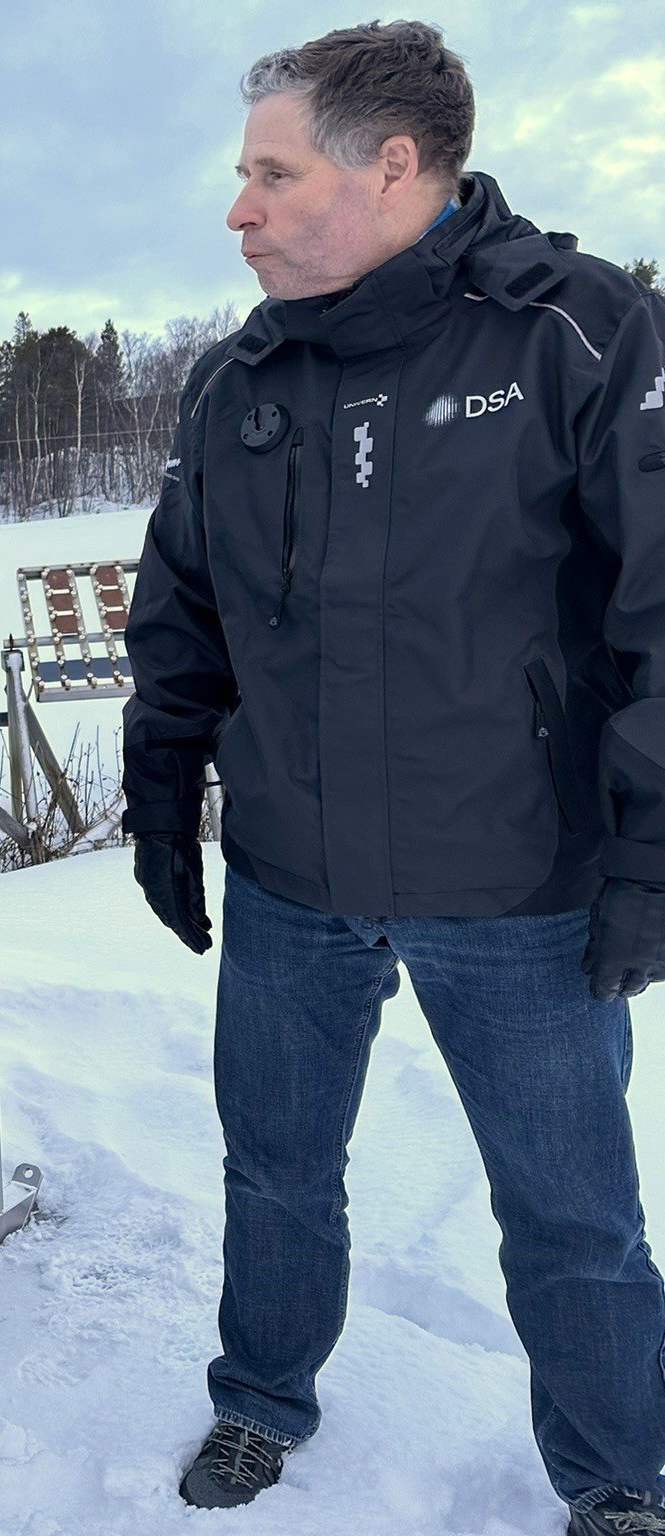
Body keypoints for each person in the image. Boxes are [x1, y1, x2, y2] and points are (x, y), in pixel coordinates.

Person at [123, 21, 665, 1531]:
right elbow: (183, 609)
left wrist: (651, 849)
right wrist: (164, 792)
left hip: (519, 889)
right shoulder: (235, 381)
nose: (238, 208)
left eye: (271, 174)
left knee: (572, 1216)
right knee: (275, 1170)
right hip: (295, 882)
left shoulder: (584, 329)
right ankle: (262, 1396)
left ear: (396, 167)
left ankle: (621, 1474)